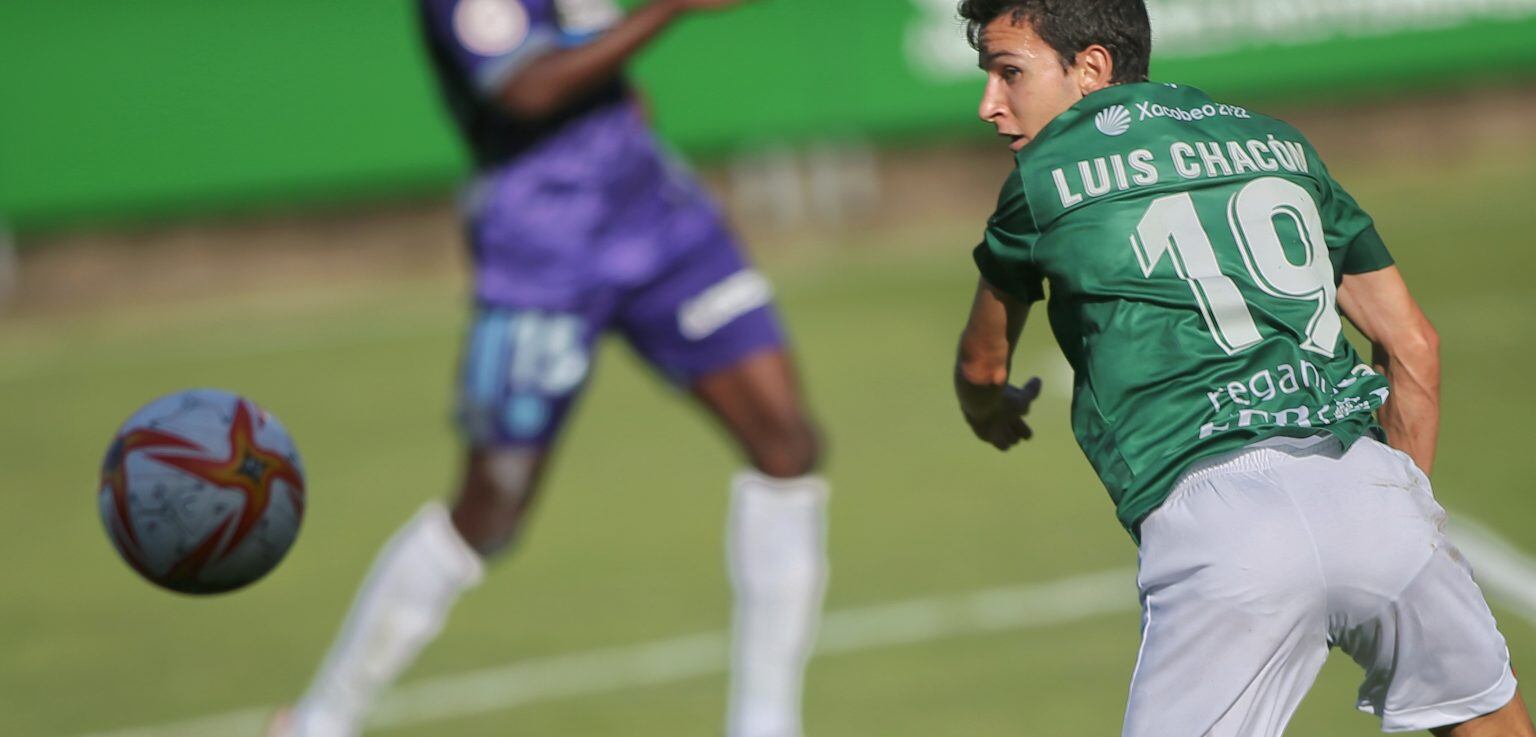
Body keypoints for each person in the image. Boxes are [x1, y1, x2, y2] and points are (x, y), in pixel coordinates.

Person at [949, 1, 1535, 734]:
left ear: (1091, 68)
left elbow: (981, 363)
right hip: (1368, 488)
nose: (989, 104)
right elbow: (1413, 343)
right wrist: (1398, 511)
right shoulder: (1278, 142)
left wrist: (988, 409)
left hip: (1217, 527)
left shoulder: (1040, 180)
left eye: (1009, 74)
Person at [272, 1, 828, 735]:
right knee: (491, 506)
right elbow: (527, 88)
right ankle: (321, 718)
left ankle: (765, 722)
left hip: (656, 216)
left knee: (786, 441)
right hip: (542, 241)